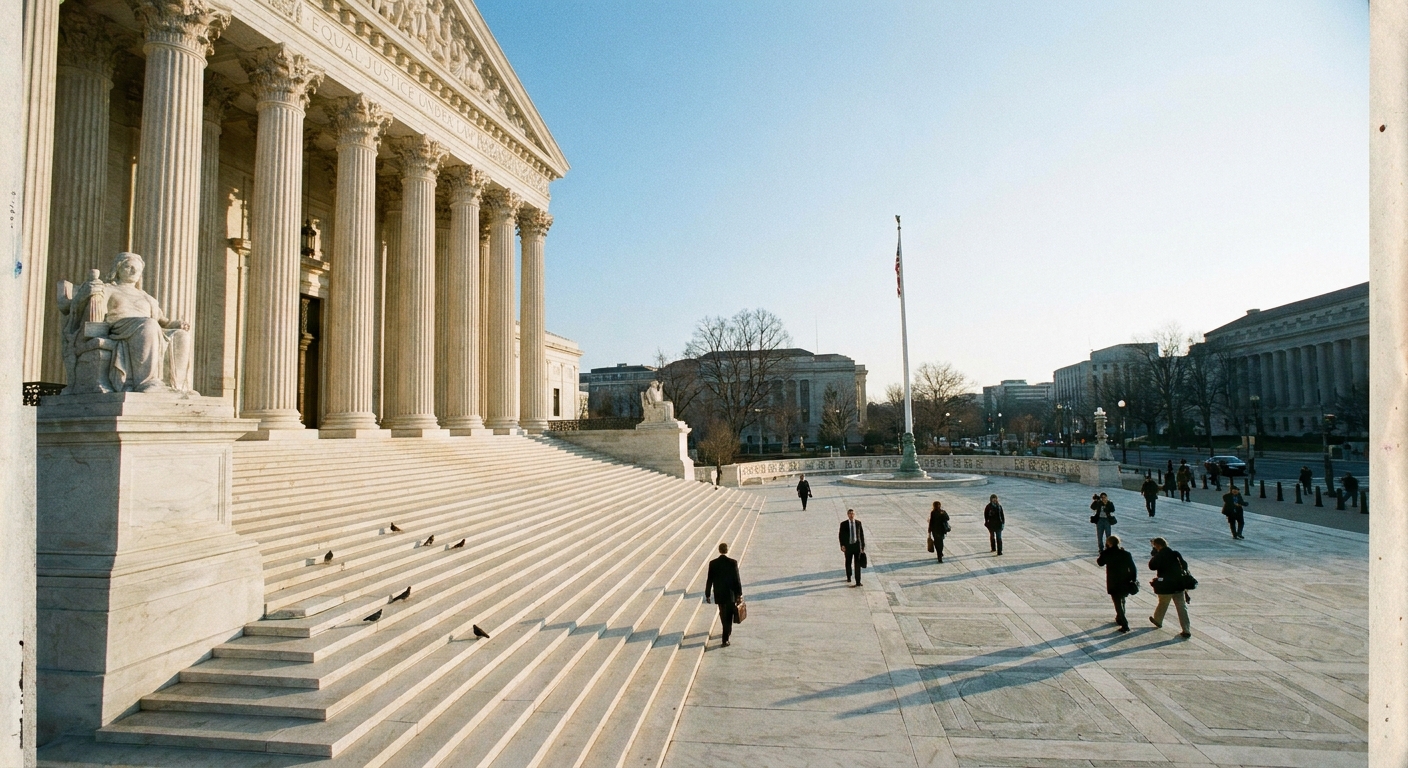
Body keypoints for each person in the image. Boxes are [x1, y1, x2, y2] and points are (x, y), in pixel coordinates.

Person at [1148, 537, 1192, 638]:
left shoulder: (1159, 555)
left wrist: (1155, 555)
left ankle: (1158, 620)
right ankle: (1186, 629)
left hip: (1165, 585)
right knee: (1181, 607)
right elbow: (1184, 565)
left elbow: (1151, 566)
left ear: (1158, 546)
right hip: (1178, 584)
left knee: (1163, 602)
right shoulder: (1175, 553)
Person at [704, 542, 743, 647]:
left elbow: (709, 580)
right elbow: (737, 580)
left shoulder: (713, 563)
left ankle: (726, 632)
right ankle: (725, 637)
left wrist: (707, 594)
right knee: (729, 616)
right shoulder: (732, 563)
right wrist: (739, 594)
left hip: (719, 594)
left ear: (719, 550)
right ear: (727, 550)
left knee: (723, 614)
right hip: (730, 595)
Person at [1096, 535, 1137, 632]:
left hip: (1113, 581)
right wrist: (1133, 579)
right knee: (1121, 600)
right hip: (1125, 580)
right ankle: (1119, 618)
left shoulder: (1107, 553)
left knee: (1117, 603)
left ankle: (1124, 624)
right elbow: (1132, 568)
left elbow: (1100, 563)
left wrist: (1104, 552)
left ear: (1109, 543)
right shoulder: (1126, 553)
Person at [838, 509, 866, 586]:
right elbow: (841, 536)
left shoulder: (858, 523)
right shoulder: (843, 524)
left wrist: (862, 546)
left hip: (857, 546)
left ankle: (858, 581)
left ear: (854, 514)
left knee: (857, 564)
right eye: (850, 513)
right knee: (848, 562)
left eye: (852, 513)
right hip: (848, 546)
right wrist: (842, 545)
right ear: (847, 515)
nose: (851, 515)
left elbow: (861, 535)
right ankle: (849, 576)